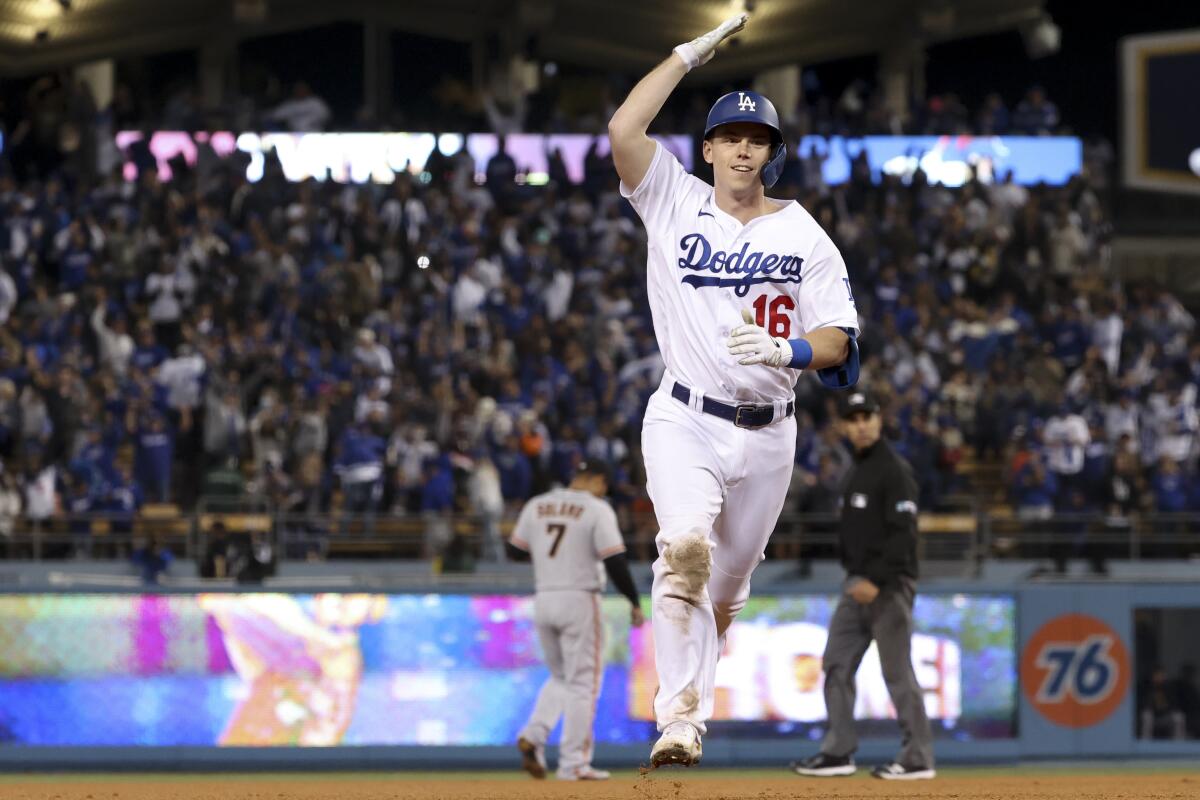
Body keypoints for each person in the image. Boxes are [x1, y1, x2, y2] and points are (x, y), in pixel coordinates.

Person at [606, 13, 860, 769]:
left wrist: (788, 348)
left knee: (723, 591)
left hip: (770, 431)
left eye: (759, 139)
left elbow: (842, 344)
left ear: (771, 155)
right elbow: (624, 126)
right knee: (682, 549)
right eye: (732, 136)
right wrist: (687, 54)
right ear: (709, 148)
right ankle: (680, 722)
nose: (745, 148)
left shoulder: (804, 235)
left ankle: (693, 687)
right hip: (684, 416)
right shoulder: (670, 197)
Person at [793, 392, 935, 780]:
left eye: (866, 417)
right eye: (853, 419)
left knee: (897, 673)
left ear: (878, 420)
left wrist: (877, 579)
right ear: (844, 425)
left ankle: (918, 756)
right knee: (835, 663)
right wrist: (857, 578)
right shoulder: (854, 469)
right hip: (855, 585)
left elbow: (904, 535)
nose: (860, 425)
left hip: (888, 586)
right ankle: (839, 751)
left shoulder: (893, 470)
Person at [508, 462, 644, 781]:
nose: (604, 491)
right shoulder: (596, 508)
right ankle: (574, 763)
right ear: (597, 480)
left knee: (561, 677)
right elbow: (614, 560)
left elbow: (514, 552)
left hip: (544, 597)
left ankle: (535, 733)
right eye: (604, 484)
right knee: (583, 683)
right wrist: (633, 600)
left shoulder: (537, 504)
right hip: (580, 597)